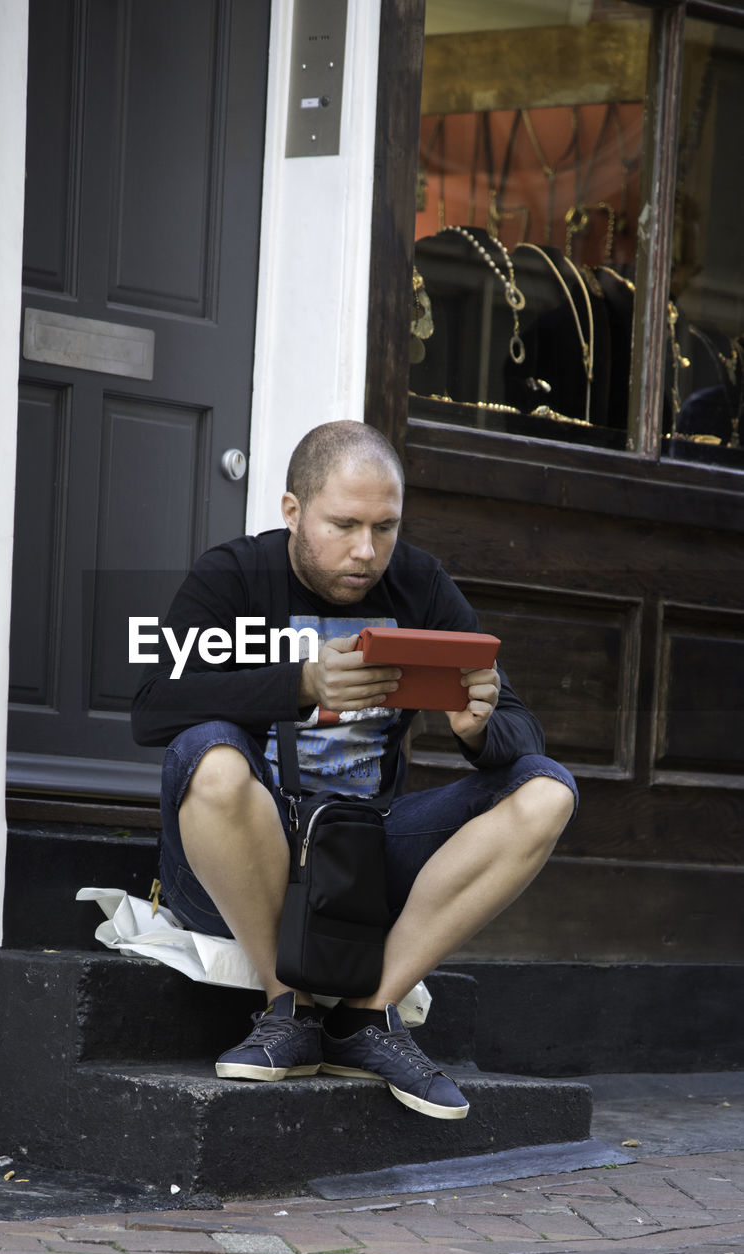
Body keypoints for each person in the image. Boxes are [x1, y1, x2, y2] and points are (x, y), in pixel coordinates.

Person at [131, 420, 577, 1121]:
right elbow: (153, 709)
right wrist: (302, 683)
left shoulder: (418, 583)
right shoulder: (233, 577)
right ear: (291, 511)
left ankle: (366, 1020)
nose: (365, 551)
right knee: (209, 755)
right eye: (342, 524)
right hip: (235, 863)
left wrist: (481, 727)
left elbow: (520, 725)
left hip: (359, 862)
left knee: (546, 790)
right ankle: (290, 1010)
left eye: (384, 527)